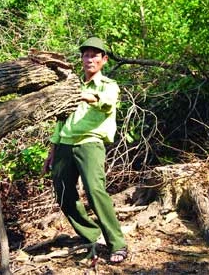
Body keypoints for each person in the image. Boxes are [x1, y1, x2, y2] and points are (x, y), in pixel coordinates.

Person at [42, 37, 127, 263]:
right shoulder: (72, 85)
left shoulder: (108, 85)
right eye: (86, 55)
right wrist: (52, 152)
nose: (90, 59)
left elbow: (106, 102)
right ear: (81, 59)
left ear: (104, 60)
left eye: (95, 55)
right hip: (64, 145)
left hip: (90, 143)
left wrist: (81, 95)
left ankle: (117, 243)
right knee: (62, 192)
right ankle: (91, 234)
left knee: (95, 190)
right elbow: (60, 121)